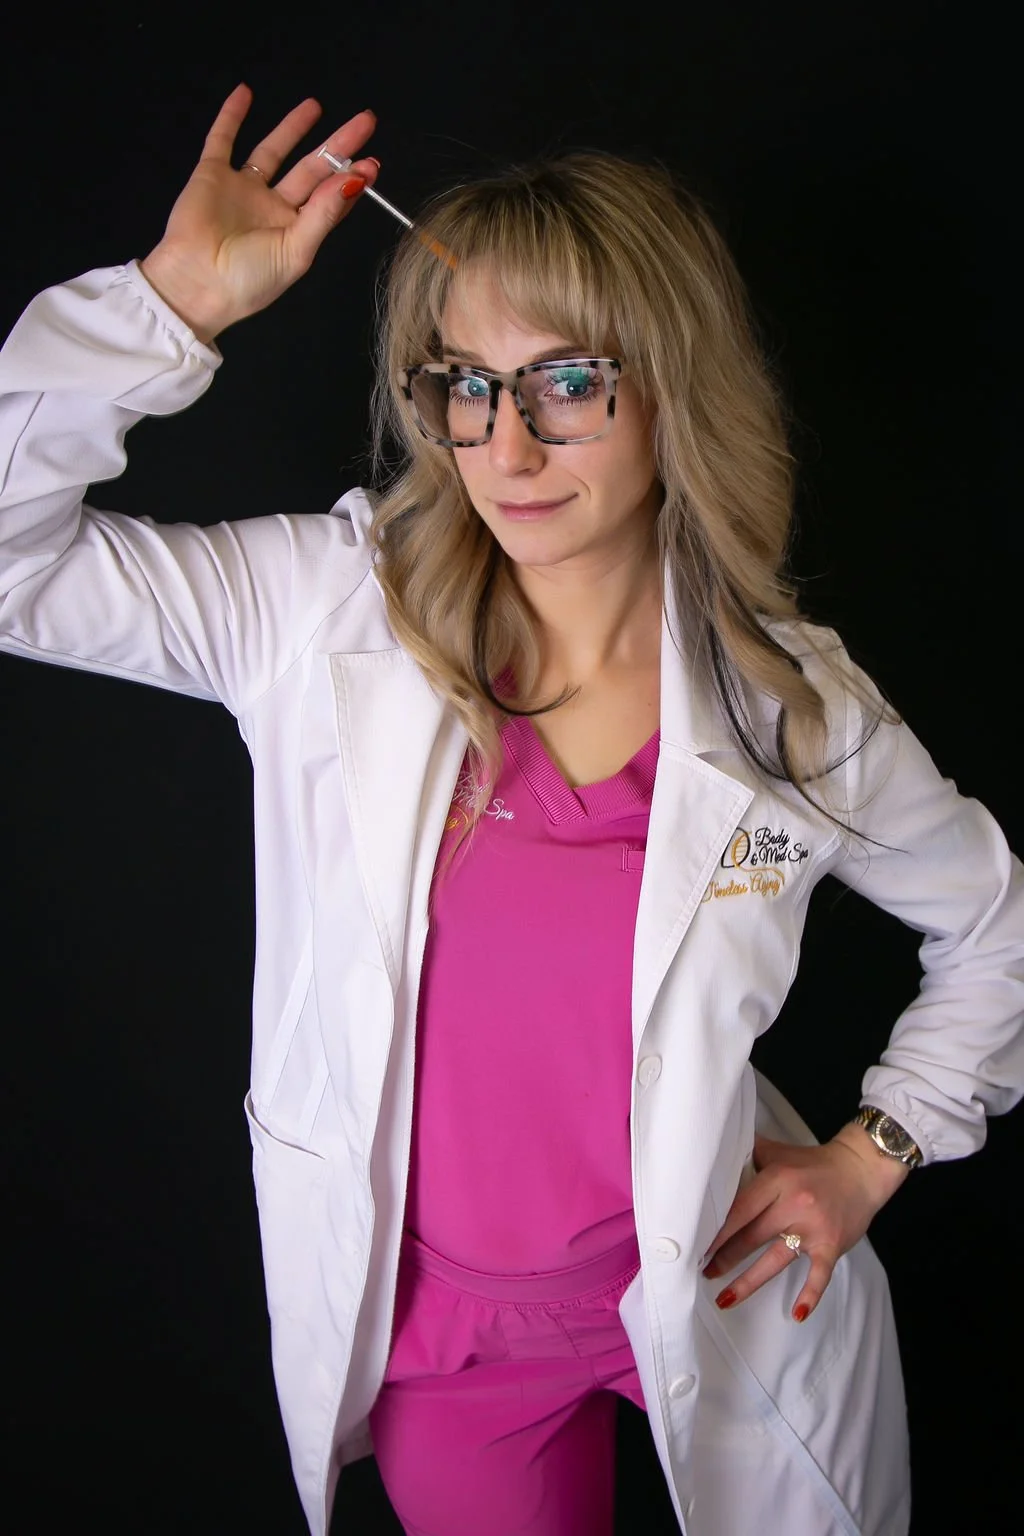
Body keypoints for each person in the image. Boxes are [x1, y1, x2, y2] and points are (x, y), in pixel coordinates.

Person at [1, 83, 1022, 1536]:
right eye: (464, 385)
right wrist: (169, 305)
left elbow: (998, 927)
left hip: (727, 1293)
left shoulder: (792, 709)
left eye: (567, 382)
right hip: (450, 1338)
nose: (508, 447)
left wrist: (876, 1154)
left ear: (674, 385)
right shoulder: (321, 613)